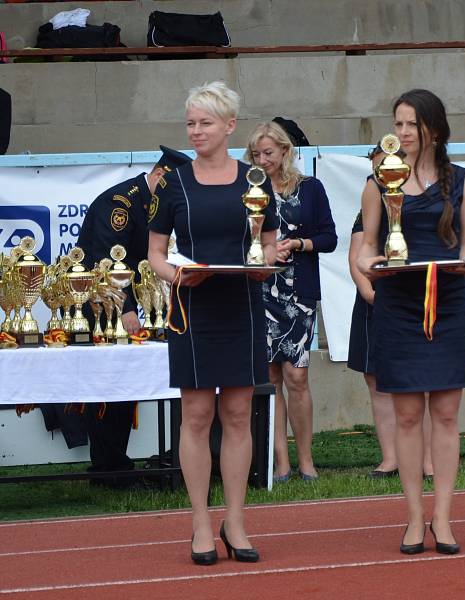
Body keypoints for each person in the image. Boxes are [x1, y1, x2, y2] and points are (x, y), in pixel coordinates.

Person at [148, 81, 278, 565]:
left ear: (229, 126)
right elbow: (155, 256)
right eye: (190, 123)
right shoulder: (173, 184)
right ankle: (201, 522)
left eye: (205, 123)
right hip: (192, 308)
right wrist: (180, 275)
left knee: (239, 416)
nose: (196, 131)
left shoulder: (255, 181)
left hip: (242, 305)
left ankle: (236, 520)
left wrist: (269, 259)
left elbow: (267, 243)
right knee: (197, 417)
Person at [357, 89, 465, 555]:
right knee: (407, 416)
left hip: (447, 302)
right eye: (398, 124)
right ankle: (413, 519)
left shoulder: (462, 181)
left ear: (434, 129)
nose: (403, 133)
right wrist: (372, 265)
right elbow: (367, 247)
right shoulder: (377, 181)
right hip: (398, 307)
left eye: (411, 125)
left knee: (446, 415)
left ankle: (443, 518)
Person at [76, 144, 191, 487]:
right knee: (112, 386)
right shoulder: (121, 204)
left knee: (125, 385)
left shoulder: (157, 204)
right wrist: (126, 310)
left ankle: (115, 464)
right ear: (159, 175)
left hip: (133, 303)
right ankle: (108, 468)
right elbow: (109, 263)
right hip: (100, 303)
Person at [244, 121, 337, 483]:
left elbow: (329, 237)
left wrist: (297, 244)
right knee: (270, 376)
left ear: (285, 151)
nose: (263, 159)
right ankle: (280, 461)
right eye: (256, 154)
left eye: (269, 152)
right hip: (261, 288)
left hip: (298, 291)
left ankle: (307, 460)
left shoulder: (311, 189)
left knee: (297, 376)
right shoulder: (248, 191)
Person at [347, 144, 433, 479]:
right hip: (374, 300)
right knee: (377, 380)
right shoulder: (368, 206)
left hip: (413, 300)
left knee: (421, 382)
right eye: (377, 169)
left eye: (389, 166)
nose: (383, 175)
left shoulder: (420, 204)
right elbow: (356, 256)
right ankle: (390, 458)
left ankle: (426, 461)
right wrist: (369, 292)